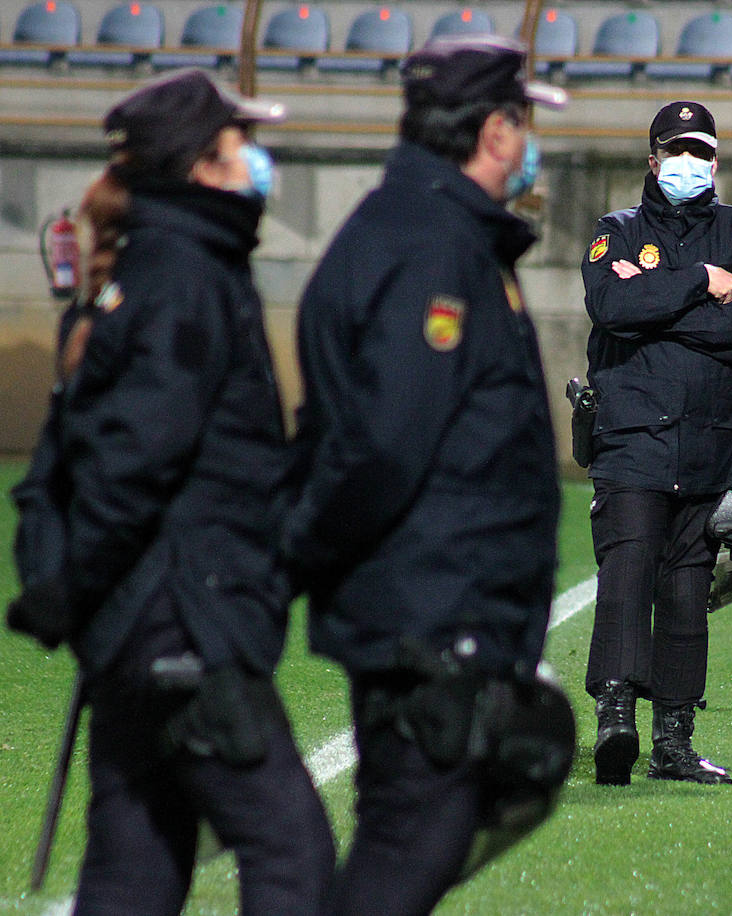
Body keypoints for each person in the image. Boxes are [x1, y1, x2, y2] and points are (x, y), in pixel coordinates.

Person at [5, 70, 336, 912]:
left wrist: (74, 595)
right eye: (241, 143)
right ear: (201, 164)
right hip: (183, 621)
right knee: (289, 851)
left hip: (138, 626)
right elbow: (132, 461)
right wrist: (74, 586)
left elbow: (74, 459)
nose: (257, 159)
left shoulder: (156, 267)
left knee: (135, 867)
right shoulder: (185, 275)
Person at [281, 36, 572, 915]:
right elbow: (382, 446)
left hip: (434, 599)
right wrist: (295, 556)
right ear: (492, 132)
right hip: (428, 610)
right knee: (411, 845)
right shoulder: (432, 246)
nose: (528, 146)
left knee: (414, 841)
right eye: (521, 125)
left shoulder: (432, 230)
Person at [581, 101, 732, 786]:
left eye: (699, 151)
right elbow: (611, 308)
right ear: (652, 156)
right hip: (632, 437)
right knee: (628, 572)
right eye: (675, 150)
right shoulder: (616, 231)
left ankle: (674, 741)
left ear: (716, 161)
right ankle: (616, 721)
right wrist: (698, 283)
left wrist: (657, 308)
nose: (687, 163)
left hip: (710, 443)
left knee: (689, 589)